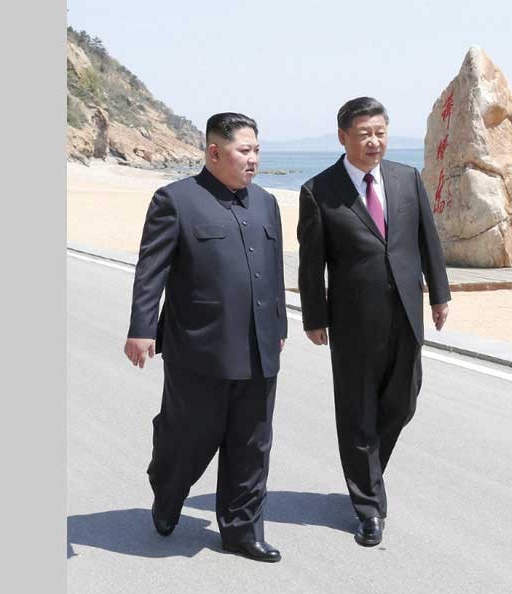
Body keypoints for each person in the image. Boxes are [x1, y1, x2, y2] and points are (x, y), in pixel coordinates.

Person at [124, 112, 287, 563]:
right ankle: (167, 489)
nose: (253, 159)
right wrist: (141, 329)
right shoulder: (176, 200)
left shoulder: (267, 203)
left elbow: (273, 271)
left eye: (257, 150)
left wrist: (280, 326)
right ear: (215, 152)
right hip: (198, 348)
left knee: (252, 442)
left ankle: (241, 530)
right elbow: (151, 270)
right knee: (190, 435)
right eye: (244, 151)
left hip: (258, 346)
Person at [297, 97, 451, 547]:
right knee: (357, 412)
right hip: (351, 321)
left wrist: (440, 295)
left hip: (406, 311)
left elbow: (428, 240)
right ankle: (367, 508)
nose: (373, 141)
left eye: (380, 132)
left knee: (403, 402)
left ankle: (368, 472)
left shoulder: (407, 178)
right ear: (343, 137)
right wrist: (313, 316)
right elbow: (312, 264)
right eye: (364, 133)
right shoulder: (318, 191)